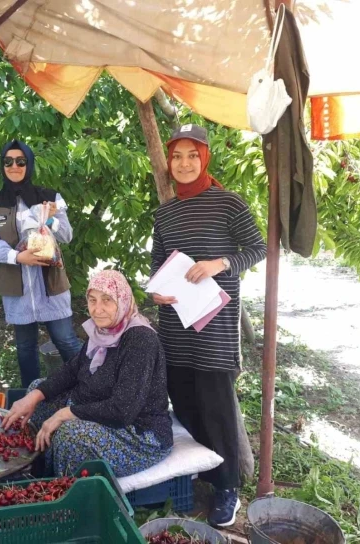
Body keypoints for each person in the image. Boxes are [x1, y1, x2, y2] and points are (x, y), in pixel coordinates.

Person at [150, 124, 267, 527]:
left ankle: (227, 487)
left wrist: (221, 264)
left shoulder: (229, 203)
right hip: (175, 324)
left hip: (215, 326)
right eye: (177, 156)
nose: (184, 163)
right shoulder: (164, 213)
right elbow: (157, 266)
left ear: (205, 158)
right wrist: (155, 294)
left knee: (217, 406)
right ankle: (203, 469)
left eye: (192, 155)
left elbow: (259, 247)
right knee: (184, 400)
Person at [3, 270, 172, 478]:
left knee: (70, 436)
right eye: (92, 300)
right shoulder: (102, 331)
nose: (97, 309)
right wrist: (34, 396)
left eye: (107, 300)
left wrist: (64, 414)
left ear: (123, 300)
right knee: (36, 392)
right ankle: (38, 470)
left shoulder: (140, 340)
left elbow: (122, 410)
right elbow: (71, 371)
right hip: (98, 406)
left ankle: (63, 495)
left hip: (138, 432)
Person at [0, 139, 83, 387]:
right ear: (2, 165)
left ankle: (86, 388)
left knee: (66, 340)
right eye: (8, 161)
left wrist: (49, 220)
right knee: (25, 347)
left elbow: (67, 236)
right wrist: (18, 257)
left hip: (50, 284)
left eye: (20, 161)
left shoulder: (49, 198)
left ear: (29, 164)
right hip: (16, 287)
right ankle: (31, 396)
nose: (14, 166)